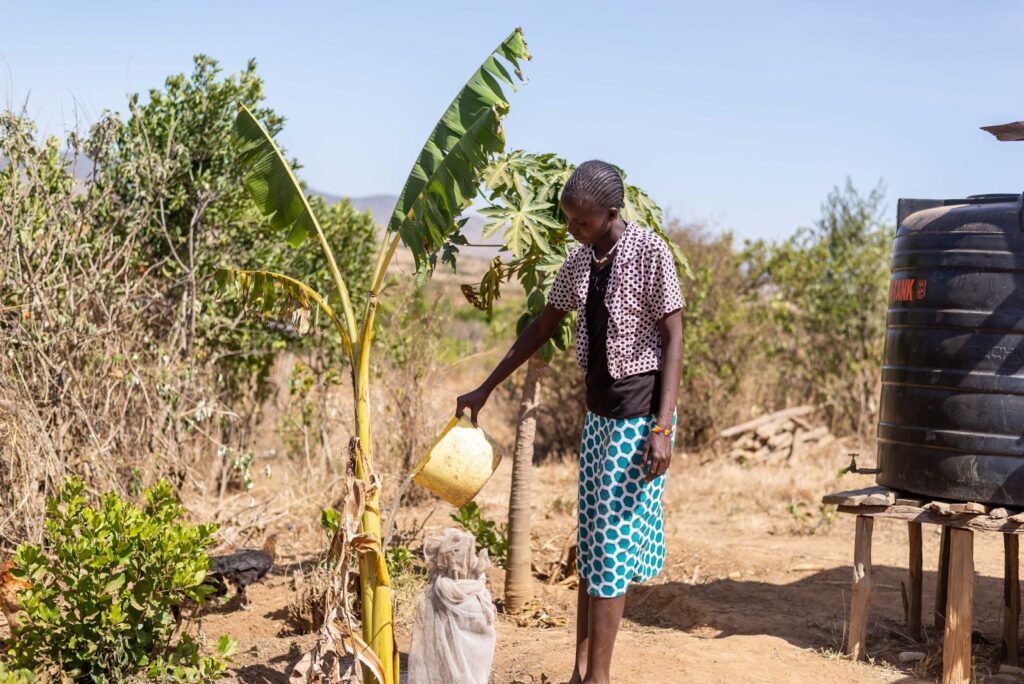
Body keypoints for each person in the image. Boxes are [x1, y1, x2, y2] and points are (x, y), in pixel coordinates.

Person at [455, 160, 684, 684]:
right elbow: (542, 326)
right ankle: (581, 672)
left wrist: (662, 427)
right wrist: (486, 386)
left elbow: (674, 339)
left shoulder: (650, 254)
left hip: (637, 417)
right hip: (598, 416)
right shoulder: (581, 262)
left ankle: (598, 678)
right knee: (592, 545)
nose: (573, 231)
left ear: (611, 212)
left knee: (609, 551)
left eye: (582, 222)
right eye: (569, 221)